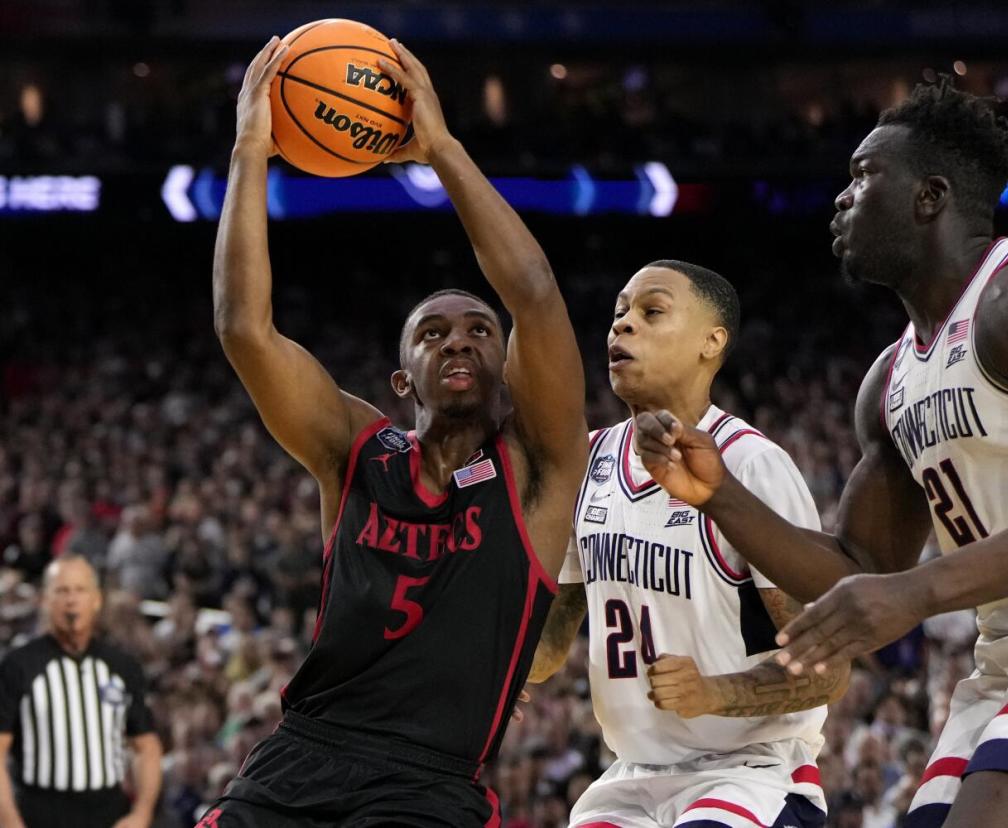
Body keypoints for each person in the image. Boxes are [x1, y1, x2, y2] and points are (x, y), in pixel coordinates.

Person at [634, 76, 1008, 827]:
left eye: (863, 176)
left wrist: (917, 595)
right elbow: (860, 571)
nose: (841, 197)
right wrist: (720, 494)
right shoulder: (888, 382)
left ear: (930, 197)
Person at [198, 36, 586, 827]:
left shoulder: (539, 464)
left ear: (506, 366)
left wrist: (439, 147)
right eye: (434, 332)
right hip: (298, 758)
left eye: (479, 330)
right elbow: (245, 328)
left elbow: (536, 293)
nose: (458, 340)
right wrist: (250, 151)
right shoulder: (356, 451)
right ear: (401, 379)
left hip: (429, 785)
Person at [529, 260, 847, 828]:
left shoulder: (752, 466)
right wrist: (492, 671)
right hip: (633, 775)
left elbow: (828, 672)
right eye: (619, 312)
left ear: (711, 342)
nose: (623, 326)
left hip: (752, 772)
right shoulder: (589, 461)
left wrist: (713, 692)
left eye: (651, 312)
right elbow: (551, 644)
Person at [0, 555, 162, 828]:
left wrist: (142, 813)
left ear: (96, 599)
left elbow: (146, 747)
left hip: (108, 815)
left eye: (79, 590)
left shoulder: (121, 667)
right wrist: (10, 821)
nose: (71, 600)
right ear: (45, 599)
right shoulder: (18, 666)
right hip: (37, 814)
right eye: (62, 591)